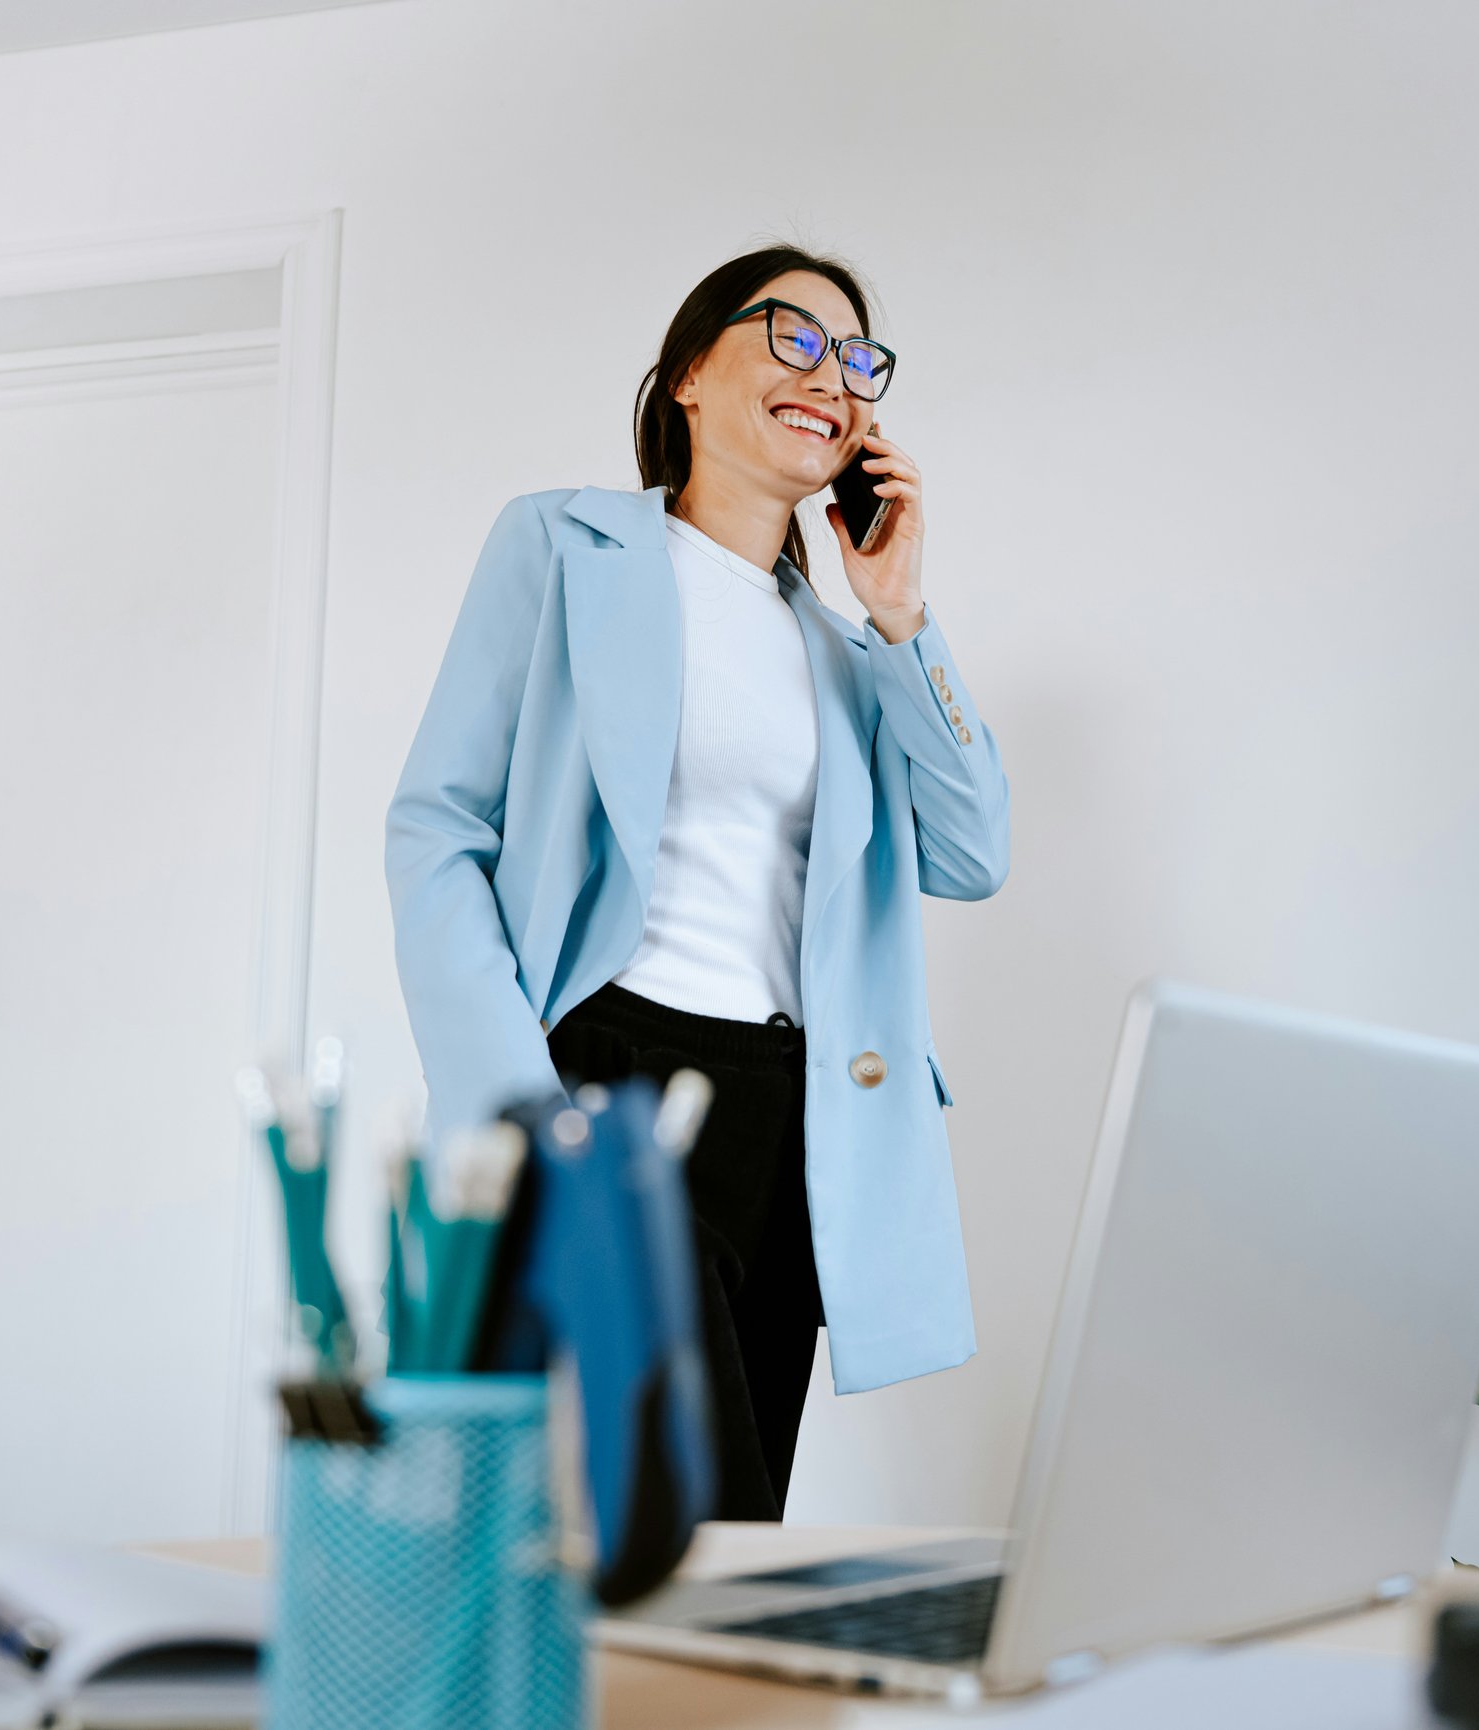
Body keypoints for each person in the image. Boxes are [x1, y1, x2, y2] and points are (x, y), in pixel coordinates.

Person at [386, 245, 1009, 1519]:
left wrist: (901, 612)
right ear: (684, 372)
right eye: (794, 336)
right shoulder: (565, 545)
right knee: (680, 1514)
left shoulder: (845, 649)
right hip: (617, 1086)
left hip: (797, 1119)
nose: (832, 378)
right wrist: (522, 1105)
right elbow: (437, 826)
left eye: (858, 362)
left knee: (728, 1542)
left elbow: (972, 849)